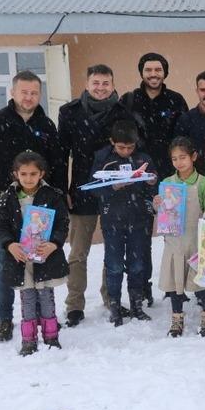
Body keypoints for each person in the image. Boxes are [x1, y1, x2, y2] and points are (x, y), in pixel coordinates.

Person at [0, 70, 65, 342]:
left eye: (34, 92)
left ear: (39, 94)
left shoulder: (46, 125)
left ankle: (43, 317)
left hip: (41, 206)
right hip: (5, 203)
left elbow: (56, 164)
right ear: (13, 92)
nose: (29, 97)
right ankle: (6, 319)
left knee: (40, 260)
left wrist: (60, 196)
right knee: (6, 261)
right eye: (24, 91)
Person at [59, 64, 134, 327]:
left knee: (113, 250)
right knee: (78, 252)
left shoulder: (123, 113)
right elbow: (61, 155)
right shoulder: (69, 113)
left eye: (105, 83)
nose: (100, 88)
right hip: (82, 190)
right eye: (96, 83)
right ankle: (74, 305)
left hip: (114, 192)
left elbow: (129, 151)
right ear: (87, 83)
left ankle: (111, 297)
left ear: (113, 85)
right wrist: (62, 189)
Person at [121, 52, 188, 307]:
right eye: (148, 70)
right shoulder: (129, 101)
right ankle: (142, 287)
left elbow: (181, 138)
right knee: (140, 237)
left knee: (173, 236)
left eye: (158, 70)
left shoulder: (175, 100)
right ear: (141, 72)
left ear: (165, 73)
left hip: (170, 178)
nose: (153, 74)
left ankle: (175, 286)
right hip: (139, 179)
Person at [0, 152, 69, 356]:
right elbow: (0, 226)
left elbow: (63, 223)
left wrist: (54, 244)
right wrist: (10, 245)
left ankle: (51, 336)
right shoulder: (7, 197)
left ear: (41, 174)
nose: (28, 178)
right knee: (27, 297)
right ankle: (28, 340)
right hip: (21, 259)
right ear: (15, 174)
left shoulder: (51, 195)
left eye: (33, 174)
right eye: (24, 173)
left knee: (46, 296)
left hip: (44, 257)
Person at [91, 120, 157, 327]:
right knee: (114, 265)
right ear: (112, 142)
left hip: (139, 219)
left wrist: (152, 183)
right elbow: (92, 187)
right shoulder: (103, 159)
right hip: (112, 221)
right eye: (121, 147)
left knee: (137, 264)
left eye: (130, 147)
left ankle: (137, 305)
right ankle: (115, 306)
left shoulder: (143, 158)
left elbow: (155, 185)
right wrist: (112, 188)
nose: (126, 151)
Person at [153, 137, 205, 337]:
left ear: (193, 157)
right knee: (175, 280)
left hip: (197, 239)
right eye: (174, 159)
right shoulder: (167, 183)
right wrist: (158, 203)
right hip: (175, 241)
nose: (179, 162)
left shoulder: (204, 182)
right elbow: (161, 212)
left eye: (183, 157)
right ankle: (177, 318)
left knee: (201, 281)